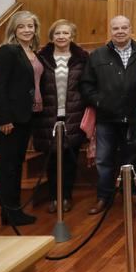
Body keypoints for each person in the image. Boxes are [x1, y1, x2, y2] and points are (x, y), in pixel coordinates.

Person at [80, 15, 136, 215]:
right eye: (116, 28)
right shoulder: (97, 55)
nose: (120, 31)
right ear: (110, 31)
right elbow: (86, 85)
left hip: (134, 117)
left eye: (124, 27)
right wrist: (99, 102)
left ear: (131, 29)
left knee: (132, 158)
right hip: (106, 118)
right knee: (104, 159)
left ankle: (132, 193)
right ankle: (104, 197)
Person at [0, 11, 43, 226]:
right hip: (10, 119)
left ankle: (13, 209)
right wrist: (4, 118)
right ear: (14, 29)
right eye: (22, 26)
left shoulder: (31, 51)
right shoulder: (7, 51)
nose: (27, 30)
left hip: (26, 116)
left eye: (30, 26)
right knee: (9, 166)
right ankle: (9, 212)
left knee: (16, 164)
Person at [34, 19, 89, 214]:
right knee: (51, 159)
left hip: (73, 115)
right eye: (57, 33)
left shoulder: (82, 58)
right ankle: (53, 198)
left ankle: (66, 197)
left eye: (65, 33)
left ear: (72, 36)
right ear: (51, 36)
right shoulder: (40, 58)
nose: (61, 37)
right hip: (48, 115)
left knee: (69, 158)